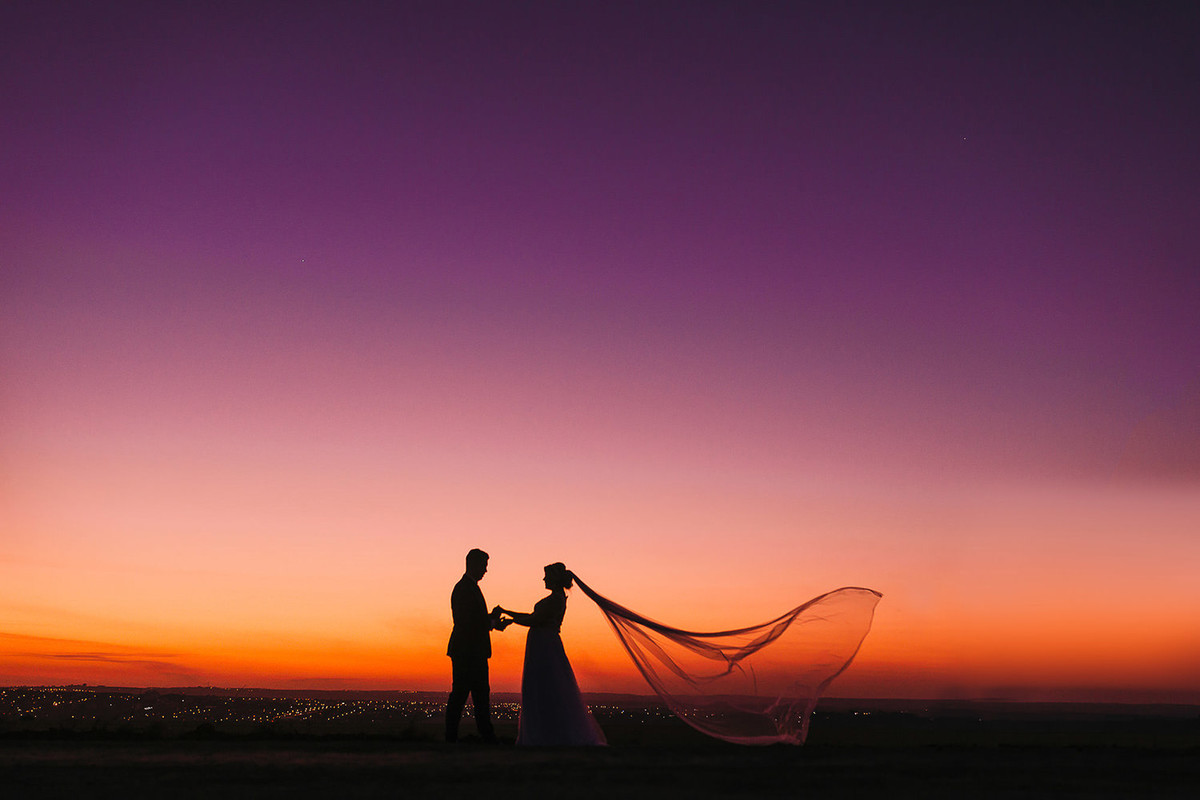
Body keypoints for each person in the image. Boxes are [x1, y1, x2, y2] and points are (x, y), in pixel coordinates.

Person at [498, 563, 606, 746]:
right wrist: (507, 613)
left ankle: (547, 735)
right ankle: (545, 733)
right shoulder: (556, 599)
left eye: (546, 576)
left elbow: (534, 619)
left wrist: (510, 619)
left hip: (545, 647)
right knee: (542, 687)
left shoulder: (556, 600)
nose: (543, 579)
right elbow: (532, 616)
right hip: (542, 645)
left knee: (547, 687)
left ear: (554, 579)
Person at [445, 548, 509, 743]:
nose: (486, 570)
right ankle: (459, 736)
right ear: (472, 564)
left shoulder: (467, 587)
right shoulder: (464, 588)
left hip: (471, 650)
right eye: (484, 565)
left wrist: (492, 620)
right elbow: (468, 622)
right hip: (468, 651)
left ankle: (482, 734)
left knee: (477, 693)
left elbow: (474, 620)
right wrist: (492, 623)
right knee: (465, 693)